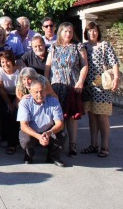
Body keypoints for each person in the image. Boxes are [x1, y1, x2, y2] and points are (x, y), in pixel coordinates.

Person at [44, 22, 88, 157]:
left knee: (71, 117)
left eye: (70, 31)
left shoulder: (78, 47)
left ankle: (72, 145)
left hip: (72, 85)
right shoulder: (53, 47)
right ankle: (56, 145)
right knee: (56, 116)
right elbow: (48, 66)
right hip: (56, 86)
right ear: (60, 33)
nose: (68, 34)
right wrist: (46, 85)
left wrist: (80, 81)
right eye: (65, 31)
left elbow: (85, 65)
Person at [81, 22, 120, 158]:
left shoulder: (105, 45)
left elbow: (114, 62)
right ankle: (93, 144)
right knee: (92, 117)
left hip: (103, 86)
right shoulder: (83, 47)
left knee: (102, 117)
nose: (93, 33)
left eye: (95, 30)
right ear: (86, 32)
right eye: (90, 30)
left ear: (98, 32)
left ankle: (105, 146)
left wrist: (116, 78)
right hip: (89, 87)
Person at [17, 80, 66, 167]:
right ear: (30, 92)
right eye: (36, 92)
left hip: (48, 130)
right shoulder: (24, 103)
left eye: (42, 91)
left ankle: (53, 157)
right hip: (32, 131)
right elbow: (24, 125)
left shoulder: (54, 101)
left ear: (46, 90)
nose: (39, 95)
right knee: (26, 139)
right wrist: (39, 136)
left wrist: (49, 133)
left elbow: (60, 124)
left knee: (62, 135)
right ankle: (28, 155)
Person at [0, 50, 20, 155]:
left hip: (20, 94)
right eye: (3, 62)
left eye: (7, 61)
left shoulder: (20, 70)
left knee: (15, 115)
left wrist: (16, 102)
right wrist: (9, 103)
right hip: (6, 94)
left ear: (12, 60)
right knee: (5, 112)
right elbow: (1, 90)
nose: (5, 64)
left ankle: (13, 143)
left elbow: (21, 89)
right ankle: (4, 137)